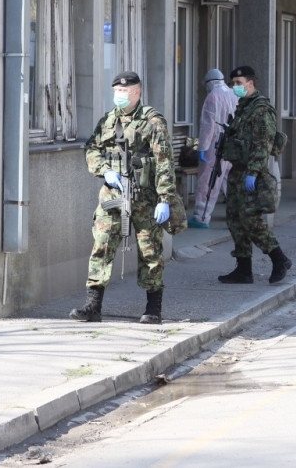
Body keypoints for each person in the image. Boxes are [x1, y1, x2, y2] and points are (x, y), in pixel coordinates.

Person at [70, 71, 175, 324]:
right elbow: (92, 148)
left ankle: (153, 309)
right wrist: (104, 170)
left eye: (124, 91)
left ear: (137, 92)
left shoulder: (152, 121)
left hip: (144, 196)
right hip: (113, 195)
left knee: (150, 251)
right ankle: (93, 306)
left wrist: (165, 198)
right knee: (102, 244)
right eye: (117, 91)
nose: (119, 95)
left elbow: (164, 162)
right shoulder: (108, 121)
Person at [216, 65, 292, 285]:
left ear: (251, 83)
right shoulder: (244, 106)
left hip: (252, 172)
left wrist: (254, 172)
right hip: (237, 170)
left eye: (239, 83)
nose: (235, 87)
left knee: (251, 220)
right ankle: (243, 269)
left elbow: (263, 143)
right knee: (235, 219)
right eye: (233, 83)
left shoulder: (260, 109)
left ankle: (279, 259)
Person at [189, 68, 238, 228]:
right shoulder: (233, 94)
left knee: (208, 181)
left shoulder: (213, 96)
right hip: (232, 144)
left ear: (209, 82)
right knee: (228, 180)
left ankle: (201, 217)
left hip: (215, 144)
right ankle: (237, 215)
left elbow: (208, 125)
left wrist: (202, 147)